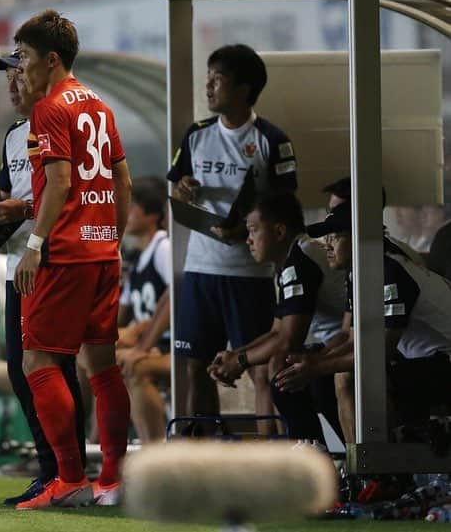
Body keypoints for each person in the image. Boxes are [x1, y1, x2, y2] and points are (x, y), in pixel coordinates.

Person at [0, 51, 87, 506]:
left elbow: (79, 194)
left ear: (42, 71)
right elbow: (5, 198)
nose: (11, 85)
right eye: (6, 77)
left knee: (55, 369)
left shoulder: (67, 120)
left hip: (55, 262)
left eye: (17, 74)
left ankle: (69, 473)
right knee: (21, 370)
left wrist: (24, 212)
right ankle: (52, 469)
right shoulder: (14, 135)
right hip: (18, 265)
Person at [13, 9, 132, 509]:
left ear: (52, 59)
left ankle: (68, 479)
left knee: (37, 358)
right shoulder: (100, 106)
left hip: (64, 253)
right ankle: (113, 478)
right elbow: (122, 181)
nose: (20, 69)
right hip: (103, 250)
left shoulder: (49, 109)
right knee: (102, 366)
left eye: (24, 58)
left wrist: (34, 246)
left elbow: (59, 182)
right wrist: (113, 240)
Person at [167, 43, 297, 435]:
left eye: (217, 79)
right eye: (208, 77)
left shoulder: (272, 140)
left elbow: (286, 206)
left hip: (249, 273)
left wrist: (245, 231)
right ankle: (200, 457)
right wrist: (184, 189)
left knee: (261, 368)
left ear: (243, 89)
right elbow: (176, 188)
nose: (208, 86)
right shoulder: (196, 135)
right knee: (194, 366)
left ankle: (266, 460)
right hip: (200, 269)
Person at [278, 200, 451, 442]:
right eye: (327, 238)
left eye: (335, 237)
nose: (327, 245)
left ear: (360, 238)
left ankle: (383, 470)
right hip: (426, 359)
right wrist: (314, 361)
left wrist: (316, 367)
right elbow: (355, 338)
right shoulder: (358, 273)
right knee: (337, 375)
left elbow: (380, 351)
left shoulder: (390, 270)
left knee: (353, 376)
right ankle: (368, 470)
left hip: (444, 360)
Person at [207, 191, 345, 445]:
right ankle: (310, 449)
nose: (248, 240)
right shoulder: (290, 260)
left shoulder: (300, 260)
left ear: (280, 232)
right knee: (278, 363)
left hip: (348, 344)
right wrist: (235, 355)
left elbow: (287, 340)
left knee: (282, 364)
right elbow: (276, 332)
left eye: (253, 230)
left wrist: (239, 361)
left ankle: (311, 451)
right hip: (337, 343)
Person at [114, 176, 171, 443]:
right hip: (149, 342)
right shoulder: (137, 257)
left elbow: (178, 296)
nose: (124, 211)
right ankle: (96, 444)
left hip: (169, 345)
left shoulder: (163, 248)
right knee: (90, 355)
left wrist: (142, 338)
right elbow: (121, 313)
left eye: (132, 206)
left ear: (152, 213)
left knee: (135, 368)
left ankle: (154, 449)